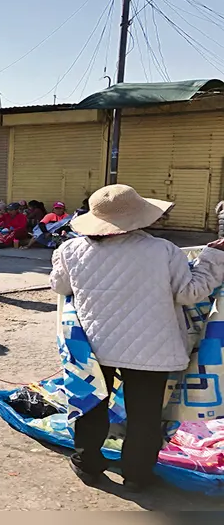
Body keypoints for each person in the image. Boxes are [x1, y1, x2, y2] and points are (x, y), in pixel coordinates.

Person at [50, 184, 224, 491]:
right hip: (152, 350)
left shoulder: (71, 250)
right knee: (145, 416)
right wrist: (212, 258)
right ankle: (137, 475)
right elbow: (191, 293)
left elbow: (60, 287)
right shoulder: (163, 251)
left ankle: (87, 463)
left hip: (93, 347)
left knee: (91, 406)